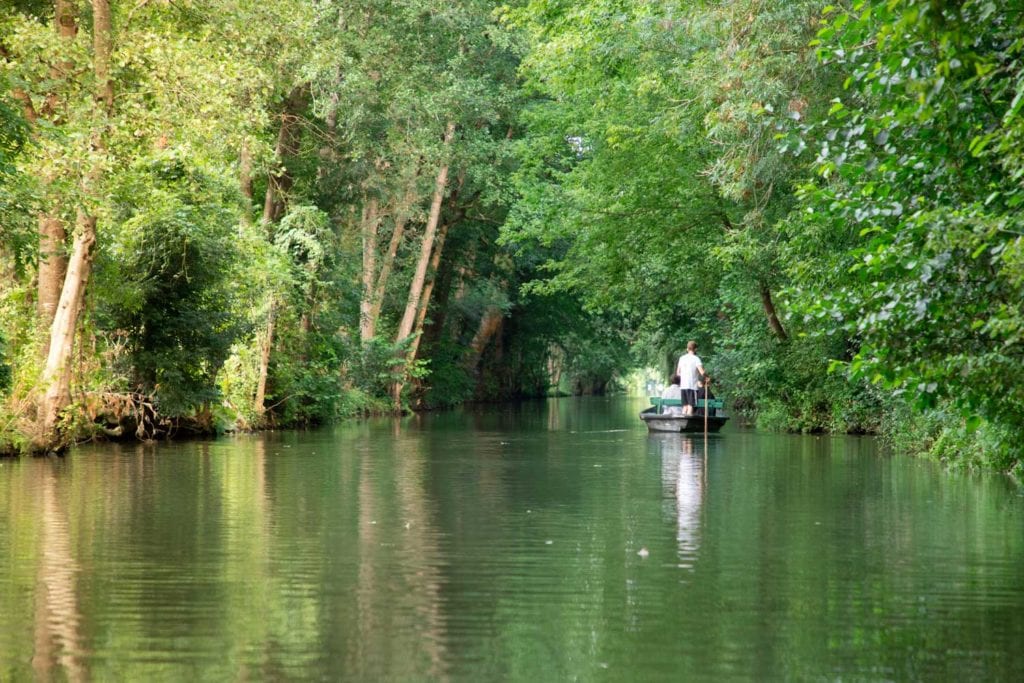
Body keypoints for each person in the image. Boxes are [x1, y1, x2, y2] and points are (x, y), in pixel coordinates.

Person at [675, 340, 707, 416]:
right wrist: (707, 377)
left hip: (683, 386)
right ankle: (688, 420)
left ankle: (682, 422)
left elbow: (678, 373)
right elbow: (702, 372)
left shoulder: (682, 358)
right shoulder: (696, 359)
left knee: (685, 406)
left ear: (687, 349)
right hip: (692, 387)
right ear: (695, 349)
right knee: (690, 406)